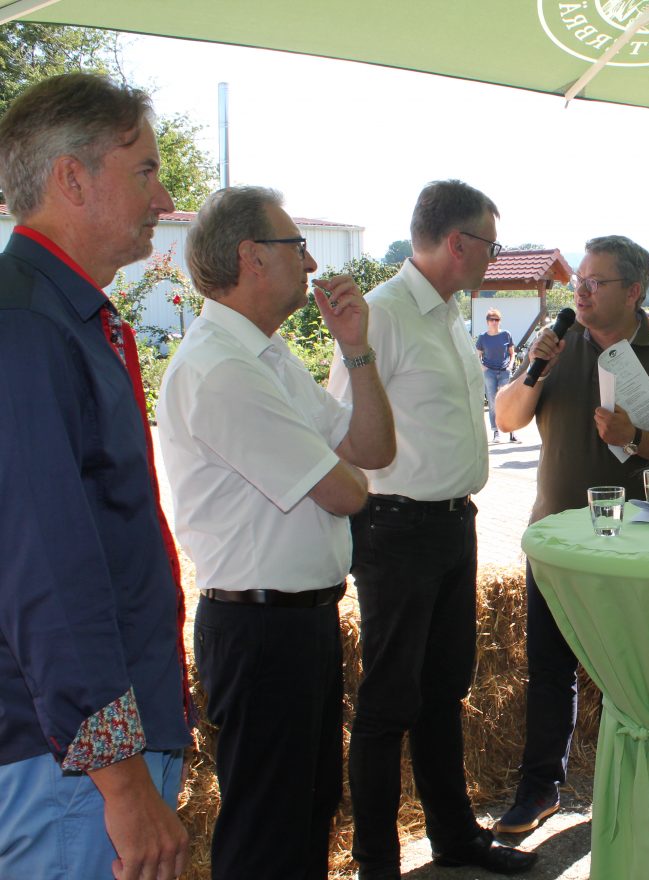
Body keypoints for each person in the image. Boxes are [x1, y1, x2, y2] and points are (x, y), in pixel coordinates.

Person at [158, 186, 396, 879]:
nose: (312, 264)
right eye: (297, 248)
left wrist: (356, 351)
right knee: (268, 833)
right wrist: (345, 471)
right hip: (260, 633)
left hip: (294, 625)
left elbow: (372, 450)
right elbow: (349, 491)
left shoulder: (266, 356)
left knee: (306, 814)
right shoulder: (224, 369)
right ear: (251, 257)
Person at [0, 72, 192, 880]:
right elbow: (46, 572)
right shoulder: (28, 327)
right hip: (69, 772)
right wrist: (119, 780)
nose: (162, 195)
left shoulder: (63, 314)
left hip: (76, 763)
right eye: (144, 169)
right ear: (71, 179)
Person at [326, 180, 536, 878]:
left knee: (445, 688)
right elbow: (341, 428)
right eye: (489, 244)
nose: (492, 258)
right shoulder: (381, 315)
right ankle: (377, 862)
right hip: (397, 530)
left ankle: (454, 839)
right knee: (389, 703)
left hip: (452, 525)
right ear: (458, 243)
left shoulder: (446, 312)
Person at [493, 235, 649, 834]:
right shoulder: (556, 347)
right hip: (556, 539)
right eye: (579, 280)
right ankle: (539, 790)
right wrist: (536, 370)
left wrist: (637, 437)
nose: (580, 290)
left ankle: (638, 785)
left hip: (637, 540)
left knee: (634, 668)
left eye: (596, 281)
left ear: (634, 290)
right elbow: (506, 419)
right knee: (548, 670)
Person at [477, 307, 518, 443]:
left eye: (497, 320)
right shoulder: (483, 337)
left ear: (500, 321)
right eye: (491, 320)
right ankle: (496, 432)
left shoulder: (506, 334)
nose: (494, 322)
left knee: (506, 401)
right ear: (487, 322)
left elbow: (512, 353)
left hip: (504, 370)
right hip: (489, 372)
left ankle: (512, 432)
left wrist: (510, 365)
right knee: (493, 402)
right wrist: (483, 368)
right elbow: (477, 355)